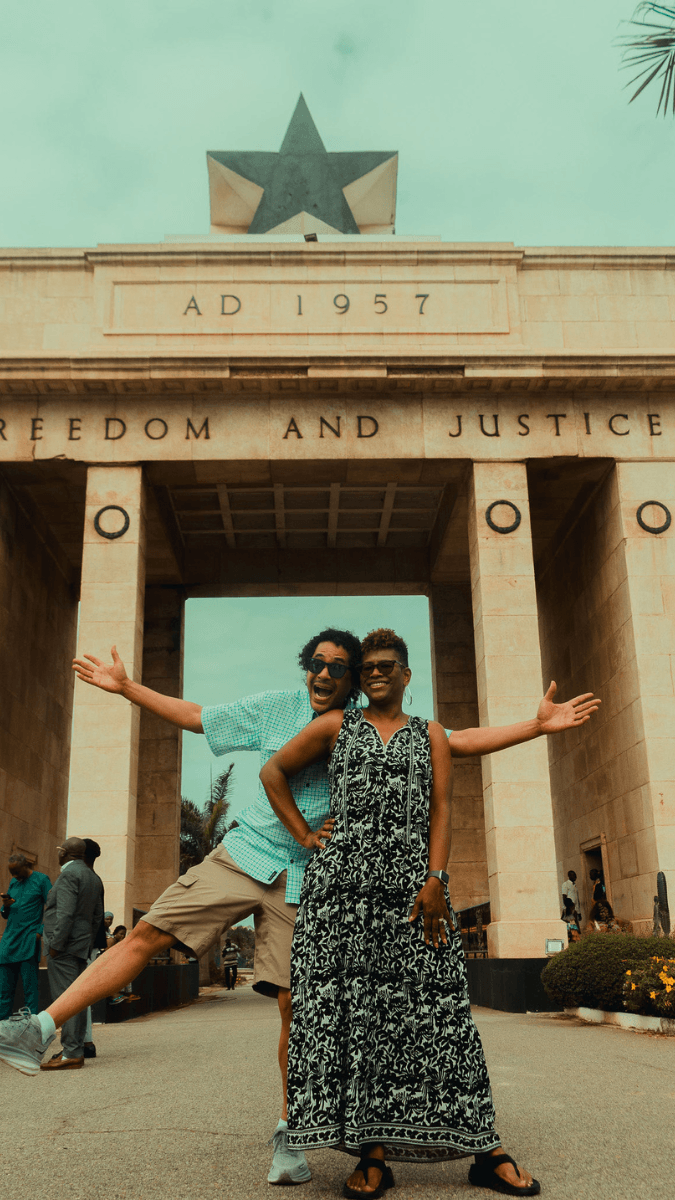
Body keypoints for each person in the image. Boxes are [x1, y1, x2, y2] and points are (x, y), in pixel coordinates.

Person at [0, 629, 598, 1186]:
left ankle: (292, 1132)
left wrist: (535, 727)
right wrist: (127, 688)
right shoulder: (280, 711)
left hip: (309, 881)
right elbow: (198, 718)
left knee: (298, 1009)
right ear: (306, 668)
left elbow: (453, 745)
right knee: (148, 934)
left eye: (341, 668)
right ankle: (40, 1028)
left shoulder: (365, 724)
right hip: (248, 851)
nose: (327, 673)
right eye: (320, 664)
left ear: (357, 680)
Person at [261, 629, 539, 1196]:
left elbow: (442, 811)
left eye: (388, 666)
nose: (376, 674)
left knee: (443, 1016)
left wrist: (436, 879)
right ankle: (373, 1152)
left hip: (417, 895)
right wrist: (307, 834)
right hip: (341, 896)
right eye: (368, 669)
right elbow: (273, 773)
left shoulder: (430, 734)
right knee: (361, 1019)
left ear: (407, 675)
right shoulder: (335, 727)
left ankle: (486, 1149)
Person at [39, 837, 104, 1071]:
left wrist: (56, 944)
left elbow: (64, 914)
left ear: (64, 853)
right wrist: (84, 942)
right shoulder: (93, 877)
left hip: (63, 948)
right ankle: (73, 1049)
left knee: (65, 1000)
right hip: (80, 948)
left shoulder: (68, 875)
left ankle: (71, 1053)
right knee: (76, 999)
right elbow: (97, 916)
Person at [0, 855, 52, 1019]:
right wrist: (5, 907)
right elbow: (6, 914)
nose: (14, 876)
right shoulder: (14, 883)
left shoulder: (42, 880)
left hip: (29, 940)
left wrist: (40, 930)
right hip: (9, 941)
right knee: (4, 990)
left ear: (26, 865)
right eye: (11, 872)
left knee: (30, 989)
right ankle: (2, 1029)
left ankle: (31, 1028)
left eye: (17, 871)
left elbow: (52, 908)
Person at [82, 839, 109, 1059]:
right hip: (90, 944)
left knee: (82, 993)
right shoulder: (96, 880)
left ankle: (86, 1040)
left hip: (85, 946)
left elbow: (94, 916)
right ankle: (85, 1040)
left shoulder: (87, 879)